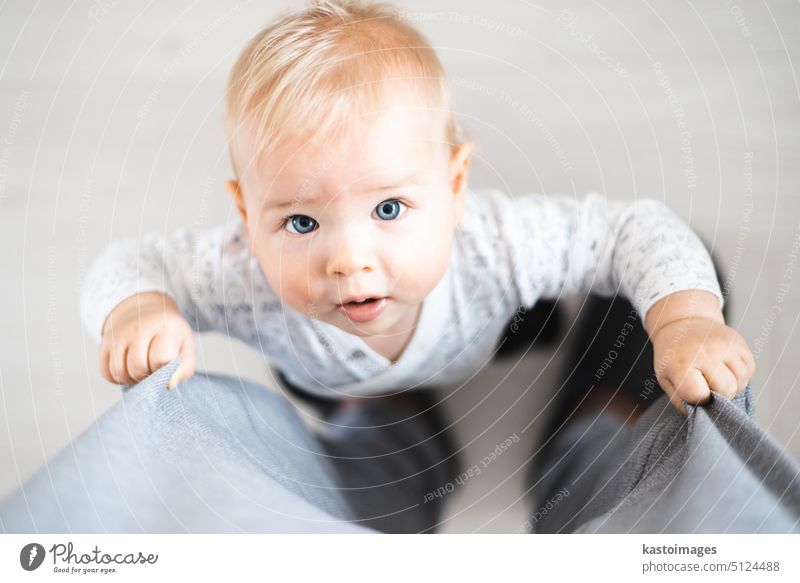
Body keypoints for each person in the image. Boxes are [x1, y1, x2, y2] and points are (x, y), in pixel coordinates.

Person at [7, 0, 765, 532]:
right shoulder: (241, 273)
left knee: (618, 293)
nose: (347, 259)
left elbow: (632, 229)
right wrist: (139, 307)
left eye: (390, 208)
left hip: (471, 317)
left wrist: (685, 317)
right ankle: (404, 424)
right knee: (341, 404)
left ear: (456, 185)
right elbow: (129, 262)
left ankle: (498, 416)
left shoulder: (493, 242)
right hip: (326, 363)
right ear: (246, 213)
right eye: (300, 220)